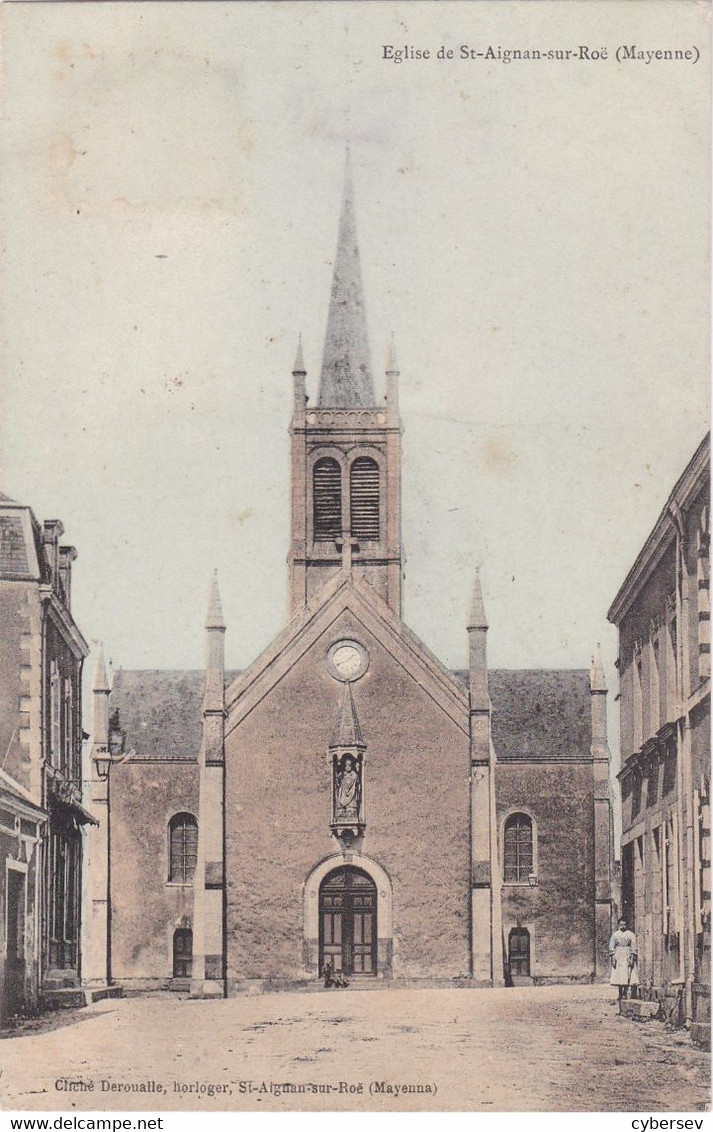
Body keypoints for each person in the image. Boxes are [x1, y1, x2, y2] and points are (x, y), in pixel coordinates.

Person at [609, 917, 639, 1000]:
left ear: (627, 925)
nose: (623, 926)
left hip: (627, 954)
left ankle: (625, 992)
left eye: (624, 925)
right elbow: (611, 946)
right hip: (618, 954)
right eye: (621, 925)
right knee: (618, 974)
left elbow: (634, 946)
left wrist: (632, 957)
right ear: (618, 925)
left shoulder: (630, 934)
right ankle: (620, 993)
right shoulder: (615, 935)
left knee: (627, 973)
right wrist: (613, 957)